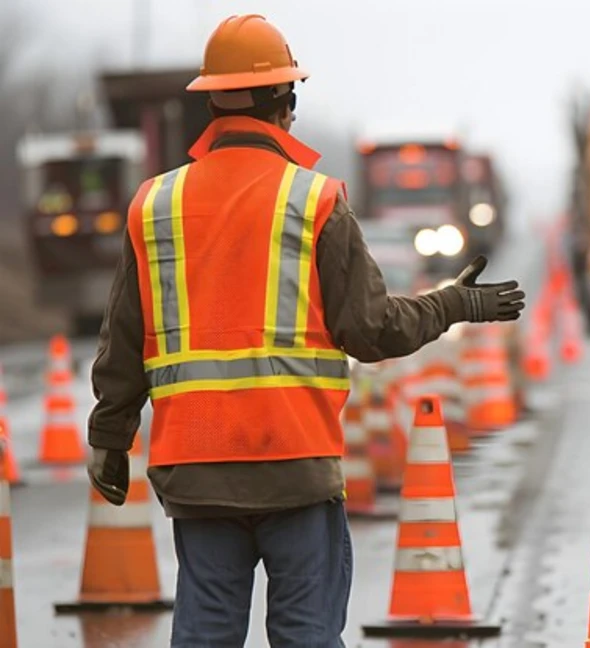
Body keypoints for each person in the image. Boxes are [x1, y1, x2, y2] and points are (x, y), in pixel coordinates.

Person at [85, 14, 524, 648]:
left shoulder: (156, 204)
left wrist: (109, 438)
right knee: (305, 635)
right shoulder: (315, 200)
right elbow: (372, 330)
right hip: (295, 460)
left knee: (205, 633)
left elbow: (124, 338)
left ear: (212, 102)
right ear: (282, 103)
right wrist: (455, 305)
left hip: (197, 466)